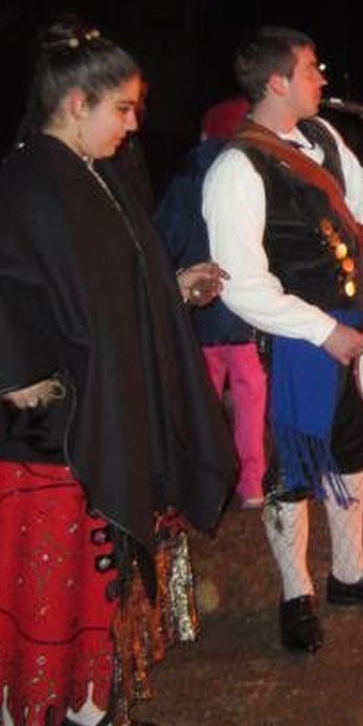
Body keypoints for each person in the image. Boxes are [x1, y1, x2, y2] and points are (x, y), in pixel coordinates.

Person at [0, 20, 237, 726]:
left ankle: (78, 705)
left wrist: (171, 290)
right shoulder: (28, 182)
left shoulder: (92, 178)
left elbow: (92, 295)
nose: (134, 123)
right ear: (77, 103)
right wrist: (4, 371)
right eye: (124, 108)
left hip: (97, 419)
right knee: (40, 582)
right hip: (47, 438)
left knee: (92, 572)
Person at [203, 26, 363, 654]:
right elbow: (239, 285)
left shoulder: (318, 135)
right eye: (311, 69)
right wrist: (322, 329)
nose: (322, 80)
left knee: (350, 451)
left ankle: (349, 573)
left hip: (347, 325)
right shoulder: (236, 168)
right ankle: (295, 593)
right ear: (278, 81)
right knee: (294, 471)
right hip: (290, 340)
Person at [154, 94, 269, 508]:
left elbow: (165, 237)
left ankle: (205, 484)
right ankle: (251, 482)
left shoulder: (186, 175)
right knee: (250, 395)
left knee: (200, 401)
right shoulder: (255, 169)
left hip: (199, 306)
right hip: (242, 306)